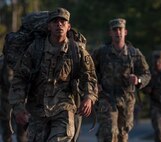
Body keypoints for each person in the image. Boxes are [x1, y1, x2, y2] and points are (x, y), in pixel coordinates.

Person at [8, 7, 98, 142]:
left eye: (63, 21)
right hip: (37, 109)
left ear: (69, 27)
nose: (59, 24)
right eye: (55, 21)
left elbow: (89, 76)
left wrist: (89, 97)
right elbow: (20, 78)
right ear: (49, 26)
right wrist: (18, 106)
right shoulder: (35, 49)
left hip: (64, 107)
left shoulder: (76, 51)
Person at [92, 18, 151, 142]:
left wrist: (138, 80)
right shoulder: (101, 52)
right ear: (110, 33)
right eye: (115, 30)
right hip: (106, 98)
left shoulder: (134, 53)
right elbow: (89, 71)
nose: (118, 32)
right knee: (109, 132)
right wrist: (95, 84)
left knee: (122, 134)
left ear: (125, 32)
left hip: (126, 100)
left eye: (120, 29)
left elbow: (147, 74)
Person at [142, 50, 161, 142]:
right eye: (155, 61)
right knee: (159, 132)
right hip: (156, 106)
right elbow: (143, 87)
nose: (157, 63)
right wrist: (147, 89)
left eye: (159, 61)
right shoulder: (149, 74)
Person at [0, 58, 27, 142]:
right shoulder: (3, 62)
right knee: (7, 131)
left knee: (22, 132)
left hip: (20, 99)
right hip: (7, 99)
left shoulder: (27, 58)